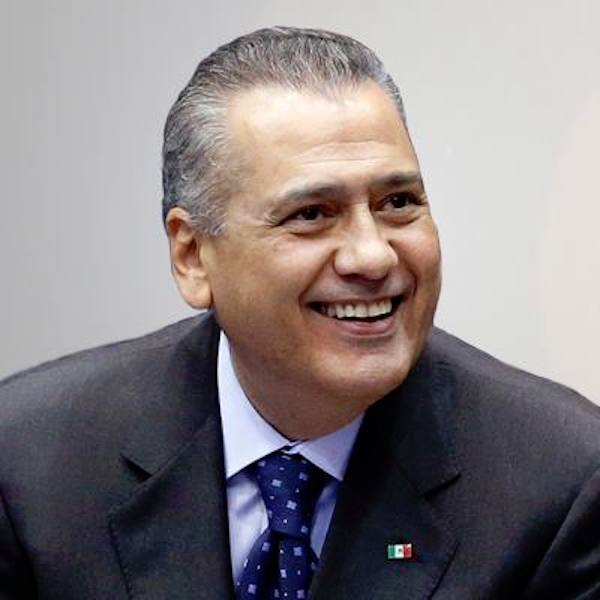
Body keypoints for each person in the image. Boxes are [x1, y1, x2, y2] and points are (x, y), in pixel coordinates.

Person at [1, 26, 599, 600]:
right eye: (311, 214)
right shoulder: (27, 464)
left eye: (398, 203)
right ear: (193, 256)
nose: (372, 256)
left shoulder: (561, 479)